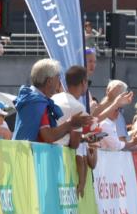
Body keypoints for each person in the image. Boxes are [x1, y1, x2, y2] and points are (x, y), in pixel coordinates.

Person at [12, 58, 93, 143]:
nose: (59, 81)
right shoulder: (37, 103)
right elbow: (48, 136)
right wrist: (70, 123)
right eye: (58, 77)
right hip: (28, 151)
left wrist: (80, 137)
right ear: (49, 81)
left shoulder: (31, 98)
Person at [54, 66, 100, 197]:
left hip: (46, 153)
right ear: (83, 82)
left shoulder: (54, 98)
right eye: (88, 82)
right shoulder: (78, 107)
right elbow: (74, 144)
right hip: (60, 160)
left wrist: (84, 138)